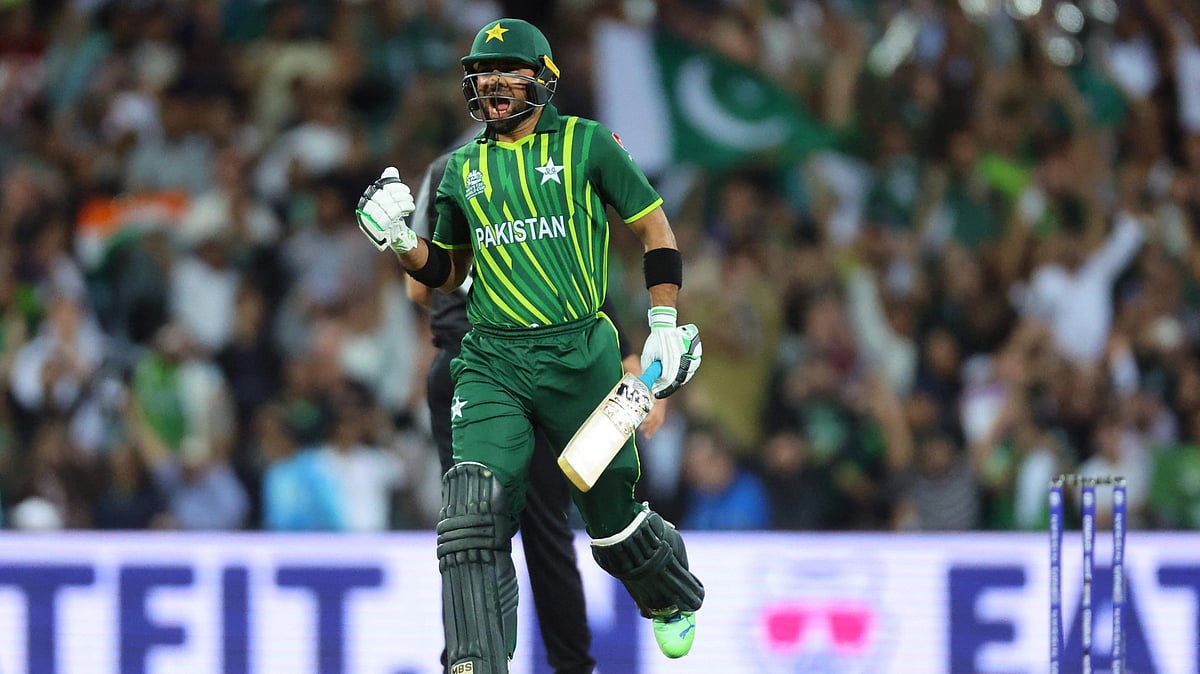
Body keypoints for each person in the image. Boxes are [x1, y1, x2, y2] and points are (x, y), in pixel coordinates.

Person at [354, 18, 704, 673]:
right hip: (490, 362)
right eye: (482, 75)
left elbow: (652, 230)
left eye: (506, 72)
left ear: (542, 79)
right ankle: (473, 661)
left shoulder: (587, 144)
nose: (491, 84)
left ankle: (669, 595)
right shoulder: (458, 169)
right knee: (472, 512)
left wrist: (659, 327)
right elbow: (443, 274)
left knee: (610, 521)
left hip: (579, 358)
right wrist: (399, 241)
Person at [408, 150, 667, 674]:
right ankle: (573, 666)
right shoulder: (554, 164)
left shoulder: (444, 171)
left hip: (465, 368)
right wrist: (629, 361)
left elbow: (419, 287)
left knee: (469, 530)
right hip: (544, 362)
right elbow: (571, 275)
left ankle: (466, 662)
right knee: (547, 532)